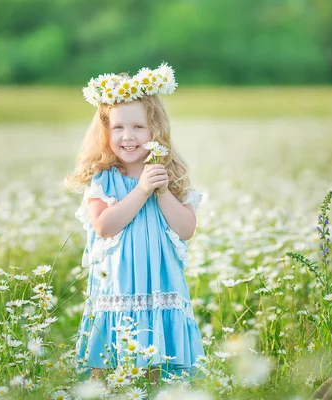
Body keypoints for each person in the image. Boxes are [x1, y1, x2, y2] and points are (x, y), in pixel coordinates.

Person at [65, 63, 205, 387]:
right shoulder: (104, 179)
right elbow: (103, 226)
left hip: (159, 284)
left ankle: (155, 389)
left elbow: (186, 229)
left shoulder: (168, 173)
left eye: (139, 127)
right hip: (118, 285)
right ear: (106, 131)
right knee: (110, 363)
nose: (128, 136)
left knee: (157, 363)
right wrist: (141, 190)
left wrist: (162, 191)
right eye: (118, 128)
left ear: (155, 130)